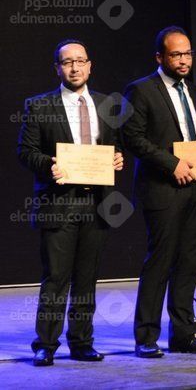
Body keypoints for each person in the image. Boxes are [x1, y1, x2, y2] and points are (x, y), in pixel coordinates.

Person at [122, 26, 196, 357]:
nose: (184, 60)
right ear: (160, 57)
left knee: (188, 263)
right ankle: (146, 336)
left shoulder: (194, 91)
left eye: (188, 54)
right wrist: (172, 164)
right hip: (162, 189)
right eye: (176, 55)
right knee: (160, 262)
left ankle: (183, 334)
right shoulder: (141, 90)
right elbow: (133, 137)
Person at [17, 39, 124, 366]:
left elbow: (113, 146)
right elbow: (26, 152)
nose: (75, 67)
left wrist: (117, 158)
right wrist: (49, 164)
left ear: (90, 65)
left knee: (86, 279)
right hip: (58, 203)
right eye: (67, 62)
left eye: (80, 61)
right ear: (57, 68)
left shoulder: (107, 104)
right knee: (56, 278)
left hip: (95, 203)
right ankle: (46, 345)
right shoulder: (39, 106)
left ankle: (82, 342)